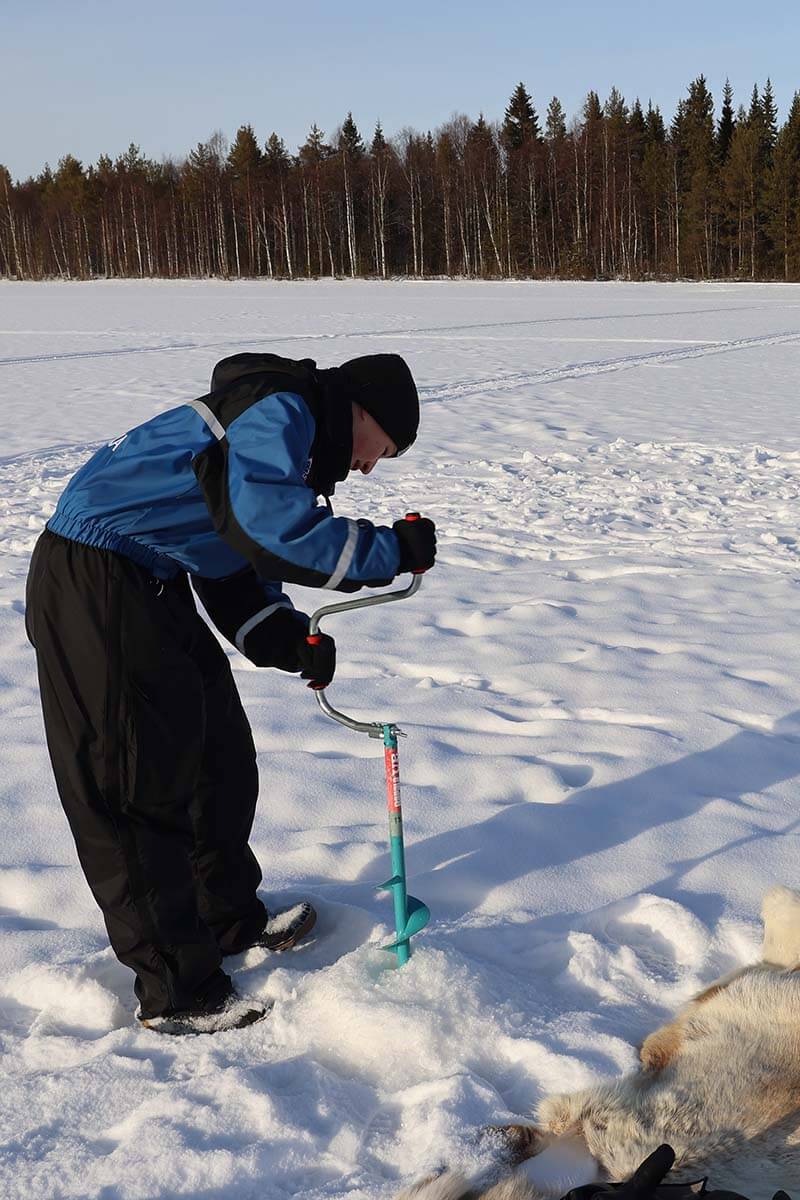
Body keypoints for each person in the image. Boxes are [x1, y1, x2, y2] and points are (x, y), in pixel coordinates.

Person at [24, 351, 436, 1035]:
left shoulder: (285, 434)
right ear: (363, 412)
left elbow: (232, 559)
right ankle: (176, 990)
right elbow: (270, 532)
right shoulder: (284, 409)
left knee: (218, 755)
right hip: (97, 580)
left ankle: (227, 918)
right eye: (382, 450)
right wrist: (390, 550)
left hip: (151, 577)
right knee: (135, 788)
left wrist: (284, 637)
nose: (368, 467)